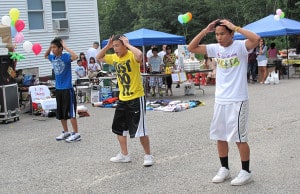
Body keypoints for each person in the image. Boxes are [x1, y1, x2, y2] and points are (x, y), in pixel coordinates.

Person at [187, 19, 260, 186]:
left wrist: (235, 27)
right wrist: (206, 30)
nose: (219, 37)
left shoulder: (240, 46)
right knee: (220, 135)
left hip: (238, 99)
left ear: (231, 34)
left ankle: (246, 171)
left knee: (239, 137)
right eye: (217, 34)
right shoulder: (215, 48)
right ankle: (224, 169)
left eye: (223, 34)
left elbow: (255, 39)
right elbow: (191, 48)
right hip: (221, 99)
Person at [96, 35, 154, 167]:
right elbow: (99, 57)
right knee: (119, 128)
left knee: (140, 129)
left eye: (117, 46)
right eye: (114, 46)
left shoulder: (131, 55)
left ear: (124, 45)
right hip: (122, 98)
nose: (115, 49)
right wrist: (108, 46)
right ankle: (124, 154)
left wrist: (128, 44)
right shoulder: (114, 58)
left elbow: (140, 55)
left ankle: (148, 155)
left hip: (136, 97)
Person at [45, 37, 81, 142]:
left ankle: (76, 133)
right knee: (61, 112)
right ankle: (66, 132)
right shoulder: (53, 58)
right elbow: (46, 55)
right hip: (59, 89)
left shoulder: (65, 57)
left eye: (55, 47)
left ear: (60, 48)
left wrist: (65, 47)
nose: (53, 49)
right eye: (52, 47)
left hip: (67, 89)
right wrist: (50, 46)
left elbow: (75, 56)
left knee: (71, 112)